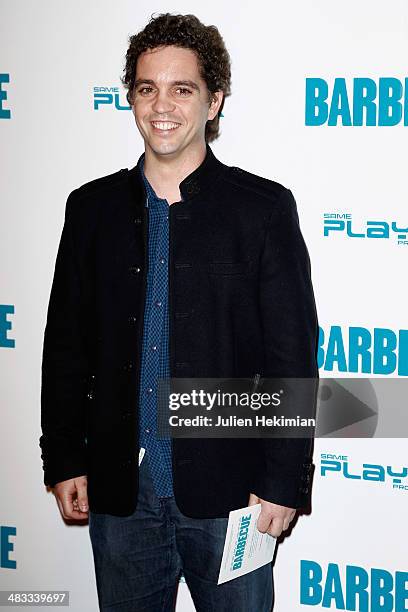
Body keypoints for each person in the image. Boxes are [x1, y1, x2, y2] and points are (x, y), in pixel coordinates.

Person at [39, 12, 319, 612]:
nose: (161, 105)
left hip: (234, 497)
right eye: (147, 88)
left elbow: (291, 357)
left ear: (213, 102)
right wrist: (62, 457)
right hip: (122, 496)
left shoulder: (263, 210)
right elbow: (66, 346)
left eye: (182, 88)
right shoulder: (91, 209)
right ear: (132, 99)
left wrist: (281, 480)